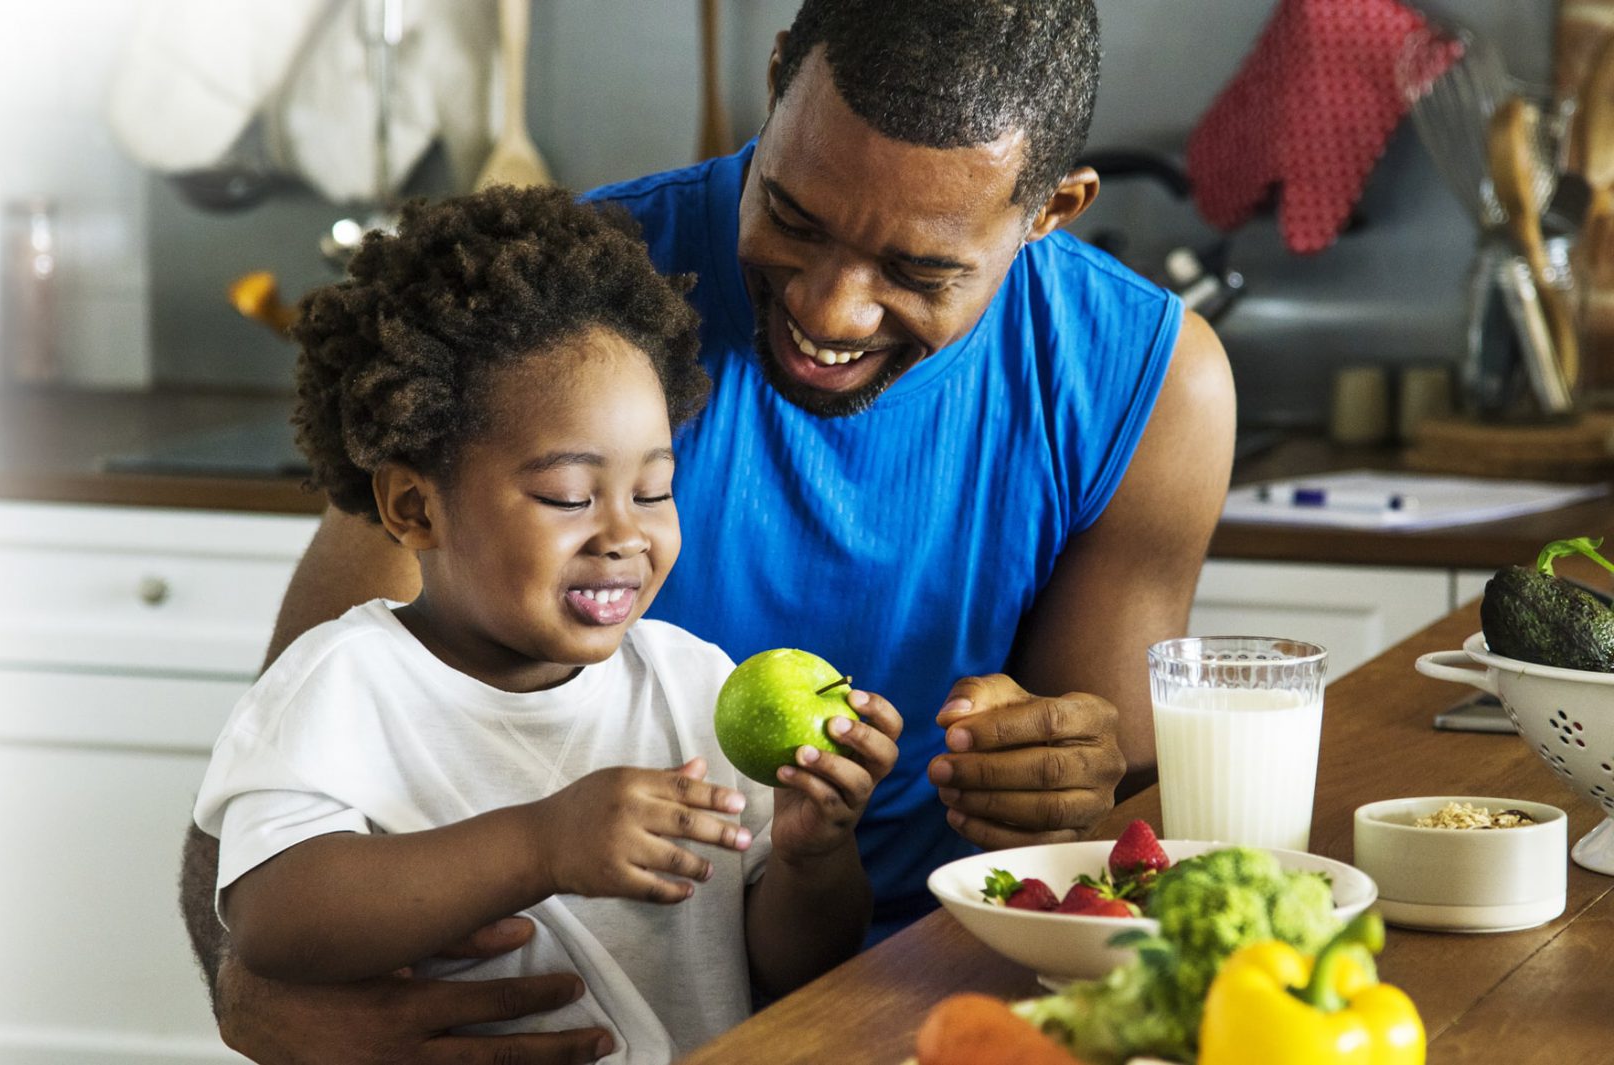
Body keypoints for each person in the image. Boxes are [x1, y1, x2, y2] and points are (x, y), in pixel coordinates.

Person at [179, 1, 1236, 1061]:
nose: (830, 312)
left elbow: (1107, 832)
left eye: (916, 272)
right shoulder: (551, 329)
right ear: (776, 80)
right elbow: (264, 811)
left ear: (1052, 208)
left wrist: (1049, 779)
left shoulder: (1146, 383)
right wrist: (254, 997)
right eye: (793, 214)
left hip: (950, 996)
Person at [191, 185, 906, 1063]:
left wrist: (811, 856)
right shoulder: (345, 683)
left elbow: (792, 965)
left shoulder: (692, 685)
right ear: (416, 507)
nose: (624, 534)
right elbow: (275, 918)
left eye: (653, 490)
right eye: (568, 496)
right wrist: (540, 843)